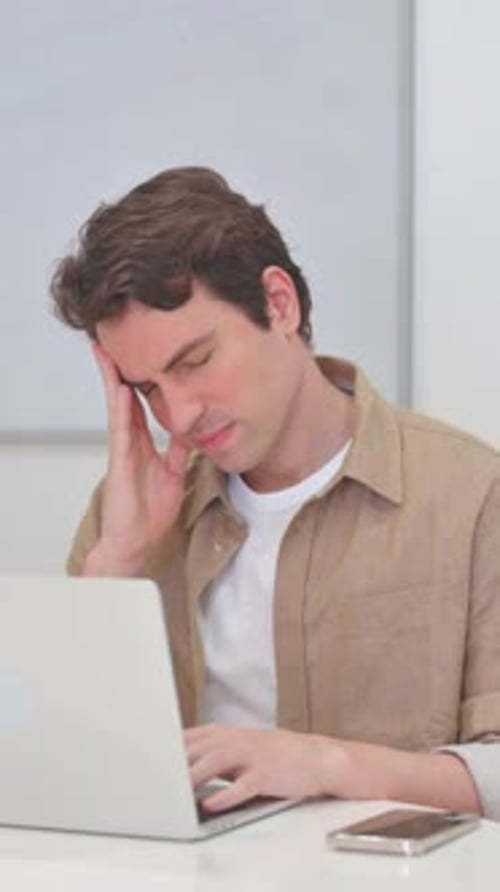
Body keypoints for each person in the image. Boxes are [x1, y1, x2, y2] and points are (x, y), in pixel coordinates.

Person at [50, 166, 500, 819]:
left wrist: (327, 764)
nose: (177, 416)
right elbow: (61, 763)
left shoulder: (471, 495)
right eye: (147, 389)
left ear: (280, 304)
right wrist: (115, 567)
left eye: (194, 362)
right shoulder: (127, 514)